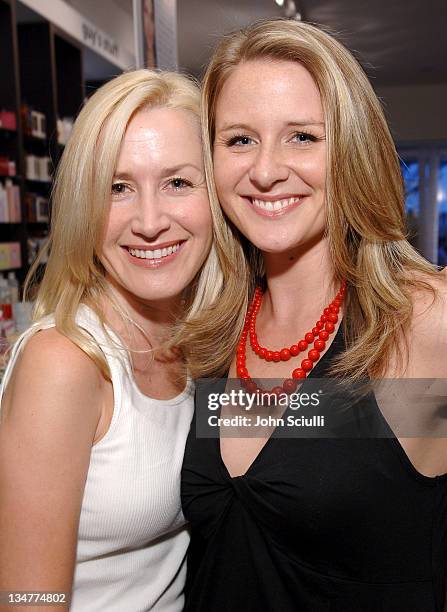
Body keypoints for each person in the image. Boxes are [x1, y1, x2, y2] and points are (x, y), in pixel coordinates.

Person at [180, 19, 447, 611]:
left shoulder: (420, 323)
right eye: (239, 139)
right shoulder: (216, 332)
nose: (267, 170)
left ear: (352, 148)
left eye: (302, 137)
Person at [0, 69, 221, 611]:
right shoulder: (66, 364)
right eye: (117, 187)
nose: (149, 221)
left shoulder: (208, 338)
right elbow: (28, 600)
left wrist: (429, 399)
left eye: (178, 182)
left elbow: (312, 422)